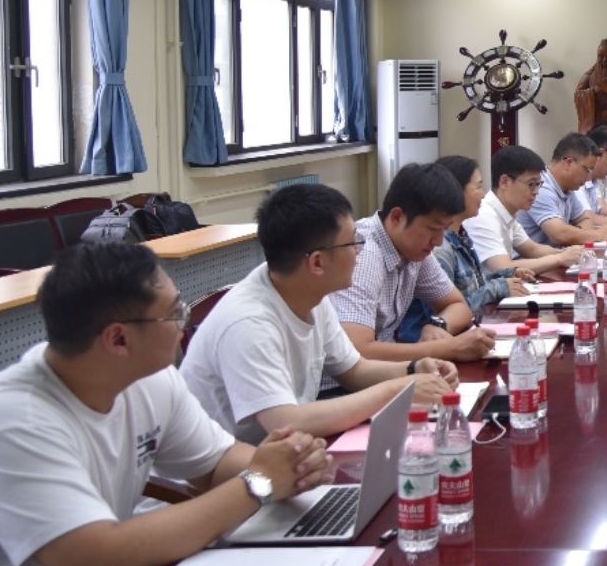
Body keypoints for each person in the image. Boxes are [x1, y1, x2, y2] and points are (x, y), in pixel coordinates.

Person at [0, 243, 332, 566]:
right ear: (118, 338)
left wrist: (292, 464)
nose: (184, 325)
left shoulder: (147, 378)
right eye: (174, 314)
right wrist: (258, 482)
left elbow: (215, 464)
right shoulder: (14, 426)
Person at [181, 184, 459, 443]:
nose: (359, 251)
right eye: (352, 243)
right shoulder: (248, 322)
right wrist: (400, 388)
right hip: (236, 470)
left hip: (289, 455)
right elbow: (286, 423)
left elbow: (354, 370)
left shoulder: (309, 294)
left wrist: (414, 368)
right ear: (317, 262)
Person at [331, 163, 496, 364]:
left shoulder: (414, 249)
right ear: (397, 217)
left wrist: (437, 324)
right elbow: (357, 351)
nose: (438, 242)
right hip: (350, 381)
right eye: (433, 229)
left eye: (444, 230)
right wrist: (449, 348)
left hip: (385, 373)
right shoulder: (364, 255)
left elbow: (458, 305)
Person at [432, 155, 534, 317]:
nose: (482, 194)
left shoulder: (461, 235)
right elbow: (449, 312)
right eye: (478, 186)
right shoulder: (440, 247)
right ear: (456, 190)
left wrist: (506, 274)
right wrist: (498, 287)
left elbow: (471, 283)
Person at [463, 144, 584, 275]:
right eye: (531, 184)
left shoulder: (508, 212)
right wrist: (560, 258)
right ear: (504, 182)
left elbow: (532, 249)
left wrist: (569, 253)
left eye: (538, 184)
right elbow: (503, 267)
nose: (536, 192)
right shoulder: (484, 215)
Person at [519, 132, 607, 247]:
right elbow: (559, 234)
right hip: (533, 258)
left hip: (556, 254)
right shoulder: (541, 188)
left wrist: (577, 235)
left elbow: (586, 219)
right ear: (568, 163)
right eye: (587, 170)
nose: (588, 177)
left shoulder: (568, 188)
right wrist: (599, 234)